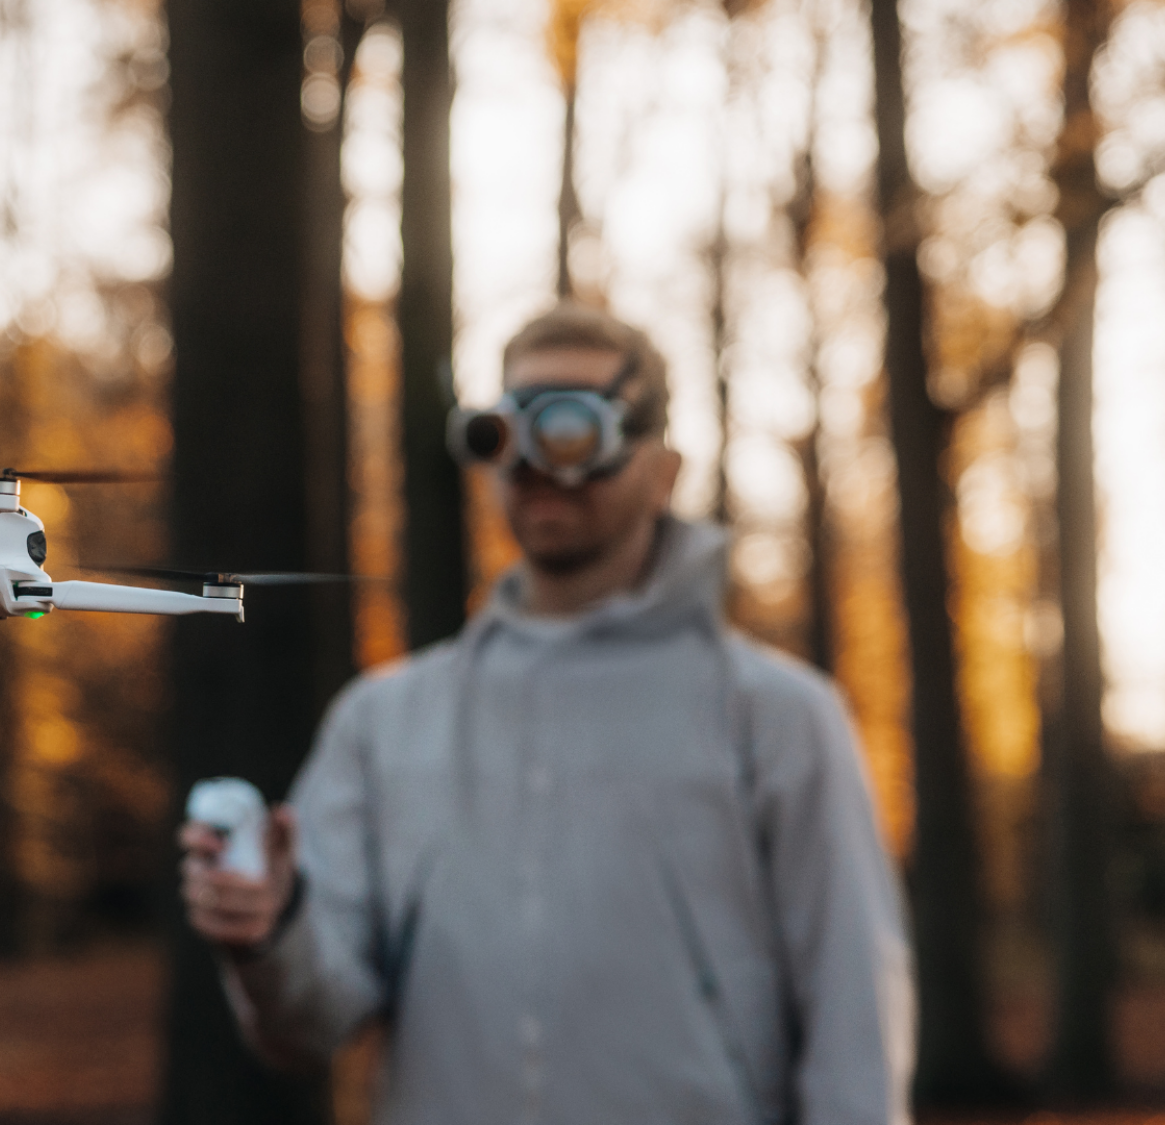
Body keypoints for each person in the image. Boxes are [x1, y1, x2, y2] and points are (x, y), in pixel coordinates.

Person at [180, 304, 914, 1125]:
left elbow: (856, 1020)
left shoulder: (776, 716)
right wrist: (272, 928)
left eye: (571, 427)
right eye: (507, 431)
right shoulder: (384, 721)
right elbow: (309, 1024)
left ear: (664, 469)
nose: (534, 464)